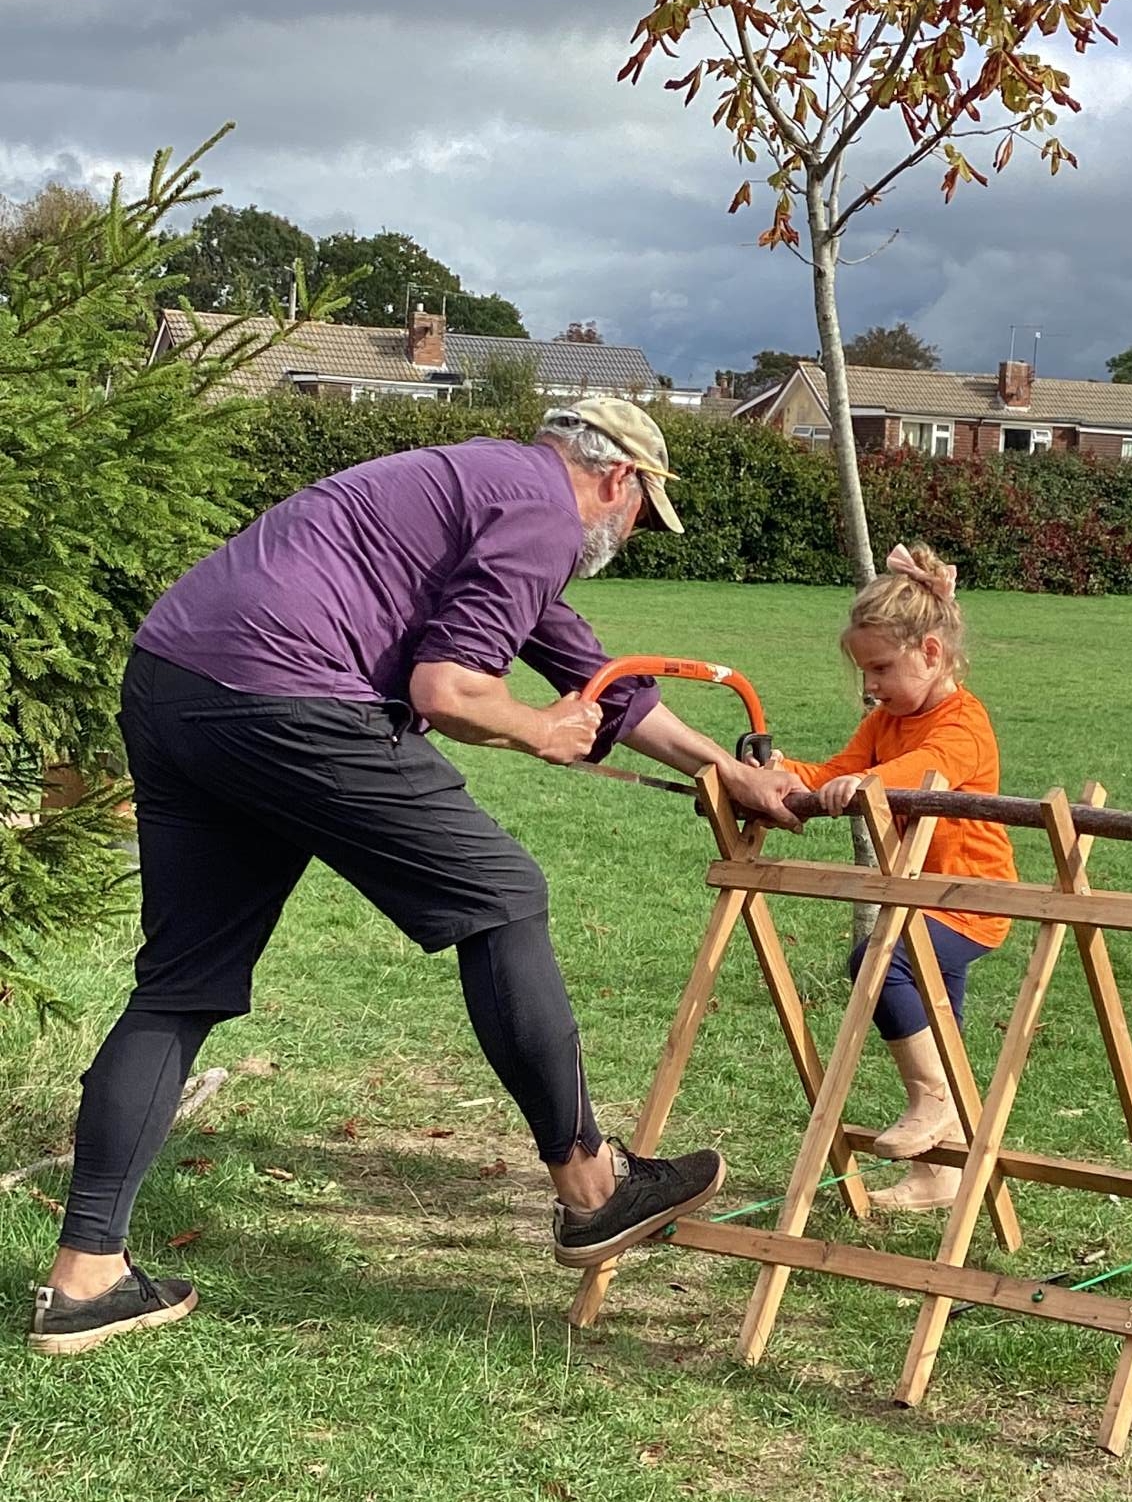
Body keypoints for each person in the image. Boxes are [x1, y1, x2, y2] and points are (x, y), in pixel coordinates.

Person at [28, 398, 804, 1356]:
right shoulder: (542, 512)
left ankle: (87, 1279)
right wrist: (535, 728)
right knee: (504, 895)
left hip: (171, 682)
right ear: (619, 479)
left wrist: (724, 769)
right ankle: (593, 1189)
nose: (631, 533)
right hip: (287, 690)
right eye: (643, 513)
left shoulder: (484, 488)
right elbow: (449, 690)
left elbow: (603, 682)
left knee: (182, 984)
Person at [782, 544, 1017, 1212]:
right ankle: (943, 1174)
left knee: (879, 962)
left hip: (970, 898)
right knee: (941, 1023)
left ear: (931, 652)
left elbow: (928, 770)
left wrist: (869, 783)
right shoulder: (884, 724)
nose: (871, 685)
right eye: (865, 671)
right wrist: (782, 774)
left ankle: (934, 1100)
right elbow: (835, 773)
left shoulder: (964, 723)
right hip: (920, 897)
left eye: (882, 668)